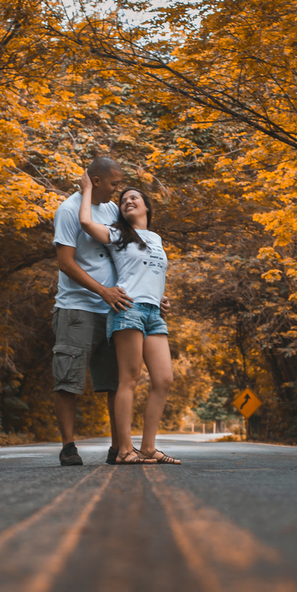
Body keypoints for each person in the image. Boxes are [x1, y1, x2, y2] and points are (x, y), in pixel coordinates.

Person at [77, 171, 181, 464]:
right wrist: (87, 188)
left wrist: (160, 295)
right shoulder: (118, 234)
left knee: (163, 379)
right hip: (128, 310)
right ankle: (124, 449)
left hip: (153, 312)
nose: (128, 201)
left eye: (134, 197)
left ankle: (148, 448)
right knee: (130, 379)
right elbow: (86, 223)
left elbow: (150, 272)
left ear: (147, 206)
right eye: (123, 200)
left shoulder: (156, 238)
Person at [52, 157, 132, 466]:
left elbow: (126, 255)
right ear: (96, 181)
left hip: (114, 310)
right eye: (114, 183)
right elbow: (65, 263)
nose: (117, 189)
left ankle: (118, 447)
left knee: (116, 381)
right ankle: (68, 446)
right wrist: (102, 290)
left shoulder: (112, 211)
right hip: (77, 308)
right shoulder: (69, 210)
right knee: (68, 379)